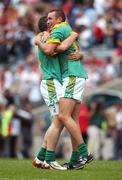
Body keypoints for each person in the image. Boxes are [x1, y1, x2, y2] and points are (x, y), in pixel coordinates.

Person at [35, 9, 93, 170]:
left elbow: (57, 49)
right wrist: (74, 36)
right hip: (58, 80)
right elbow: (56, 49)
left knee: (62, 118)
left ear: (59, 20)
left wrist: (75, 39)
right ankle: (74, 157)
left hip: (70, 77)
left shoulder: (59, 29)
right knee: (64, 118)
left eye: (51, 18)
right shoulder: (55, 33)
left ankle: (77, 155)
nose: (49, 21)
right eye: (47, 19)